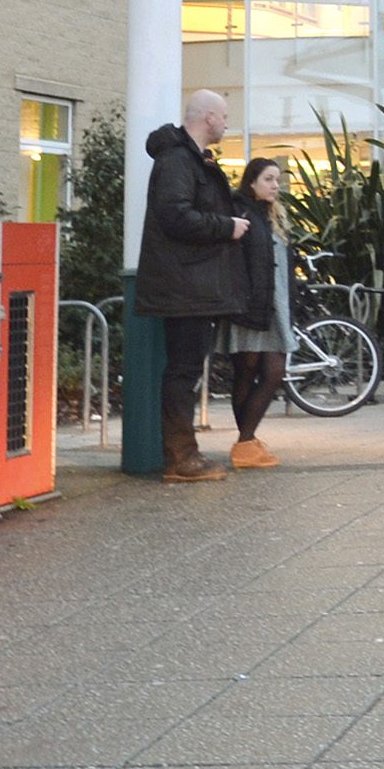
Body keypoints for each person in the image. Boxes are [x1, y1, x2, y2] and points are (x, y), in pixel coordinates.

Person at [132, 88, 246, 482]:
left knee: (184, 372)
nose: (228, 124)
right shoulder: (179, 160)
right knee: (182, 373)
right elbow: (175, 216)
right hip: (186, 285)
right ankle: (181, 458)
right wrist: (227, 226)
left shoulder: (187, 160)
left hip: (190, 283)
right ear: (209, 117)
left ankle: (184, 455)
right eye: (225, 116)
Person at [221, 157, 292, 469]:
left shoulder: (270, 215)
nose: (275, 185)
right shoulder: (241, 212)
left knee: (273, 373)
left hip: (273, 306)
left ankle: (245, 442)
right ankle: (245, 445)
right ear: (251, 182)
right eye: (268, 179)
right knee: (247, 372)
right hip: (249, 306)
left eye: (277, 179)